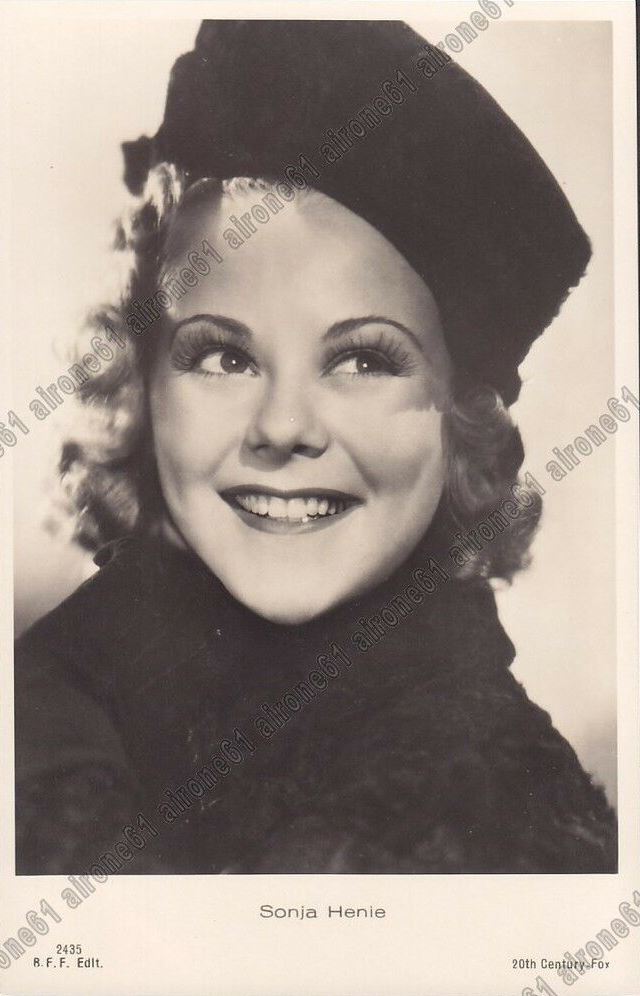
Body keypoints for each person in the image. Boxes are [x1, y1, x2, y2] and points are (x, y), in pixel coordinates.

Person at [15, 20, 616, 874]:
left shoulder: (490, 814)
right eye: (224, 357)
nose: (282, 426)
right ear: (144, 387)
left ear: (461, 420)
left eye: (363, 360)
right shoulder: (52, 698)